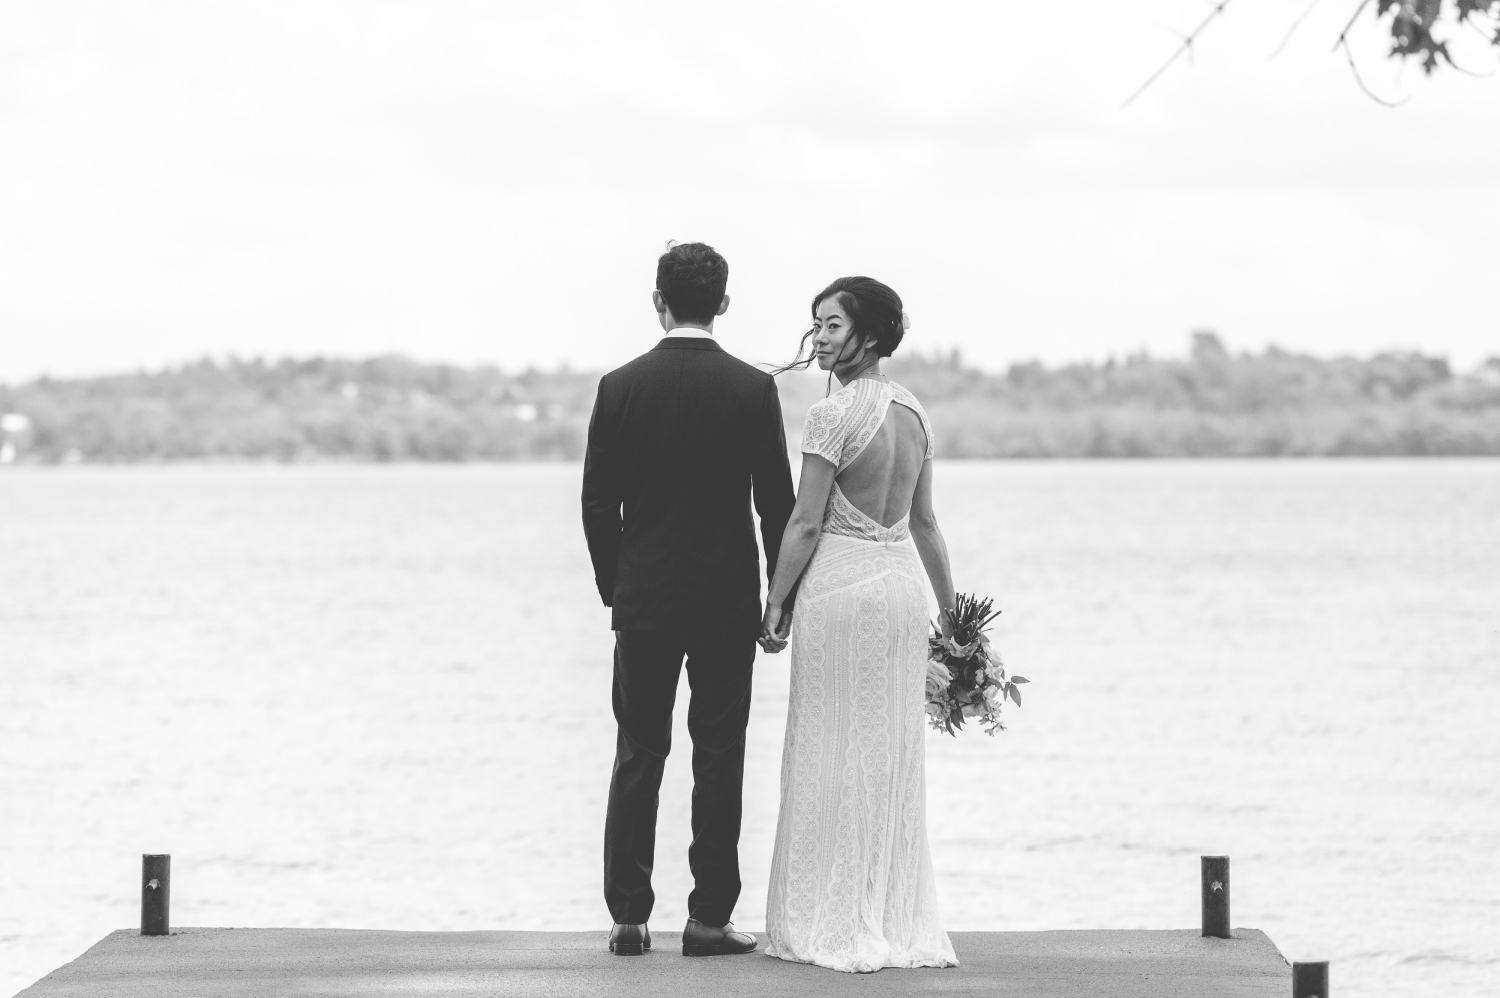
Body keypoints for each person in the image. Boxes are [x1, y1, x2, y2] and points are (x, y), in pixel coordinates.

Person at [581, 241, 797, 957]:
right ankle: (708, 919)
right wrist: (778, 597)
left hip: (643, 599)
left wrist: (621, 587)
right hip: (725, 599)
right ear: (724, 304)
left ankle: (629, 918)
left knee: (638, 751)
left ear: (657, 300)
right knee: (720, 752)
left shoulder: (619, 387)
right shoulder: (750, 388)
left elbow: (595, 505)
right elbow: (777, 503)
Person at [759, 276, 959, 973]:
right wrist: (954, 615)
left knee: (827, 748)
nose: (819, 337)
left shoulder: (831, 417)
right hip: (902, 586)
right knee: (886, 754)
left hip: (840, 588)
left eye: (833, 326)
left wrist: (776, 601)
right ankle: (886, 915)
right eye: (816, 324)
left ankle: (832, 919)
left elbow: (807, 519)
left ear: (868, 336)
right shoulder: (916, 411)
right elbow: (927, 523)